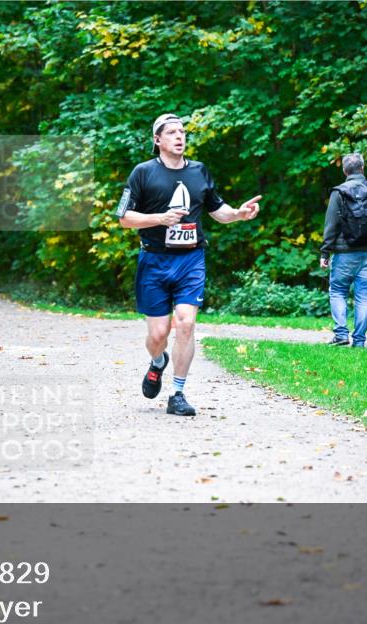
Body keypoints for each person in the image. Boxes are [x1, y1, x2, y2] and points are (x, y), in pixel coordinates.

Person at [118, 113, 262, 417]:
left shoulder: (199, 172)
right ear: (158, 140)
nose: (179, 137)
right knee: (158, 335)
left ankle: (178, 393)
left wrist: (238, 213)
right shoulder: (142, 173)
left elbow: (217, 210)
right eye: (171, 133)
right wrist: (159, 219)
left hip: (191, 259)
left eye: (182, 132)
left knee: (185, 323)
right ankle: (158, 362)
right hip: (154, 260)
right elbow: (124, 219)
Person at [319, 153, 367, 348]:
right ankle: (359, 341)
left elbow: (331, 225)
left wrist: (325, 252)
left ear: (344, 170)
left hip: (344, 253)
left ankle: (341, 335)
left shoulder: (338, 192)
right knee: (363, 296)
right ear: (363, 167)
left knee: (338, 291)